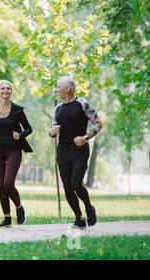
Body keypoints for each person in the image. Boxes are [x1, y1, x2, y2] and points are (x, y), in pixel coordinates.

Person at [49, 76, 102, 228]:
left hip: (80, 151)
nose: (56, 89)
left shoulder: (82, 104)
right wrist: (52, 132)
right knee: (67, 186)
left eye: (58, 86)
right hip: (63, 152)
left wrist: (85, 137)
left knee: (76, 183)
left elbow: (98, 123)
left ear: (67, 89)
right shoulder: (58, 108)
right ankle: (79, 219)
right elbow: (51, 129)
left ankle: (89, 208)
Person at [0, 80, 33, 227]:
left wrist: (20, 135)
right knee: (0, 185)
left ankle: (19, 208)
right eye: (2, 88)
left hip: (13, 151)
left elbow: (28, 129)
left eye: (8, 88)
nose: (5, 91)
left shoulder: (17, 110)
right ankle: (7, 218)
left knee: (8, 183)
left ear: (11, 91)